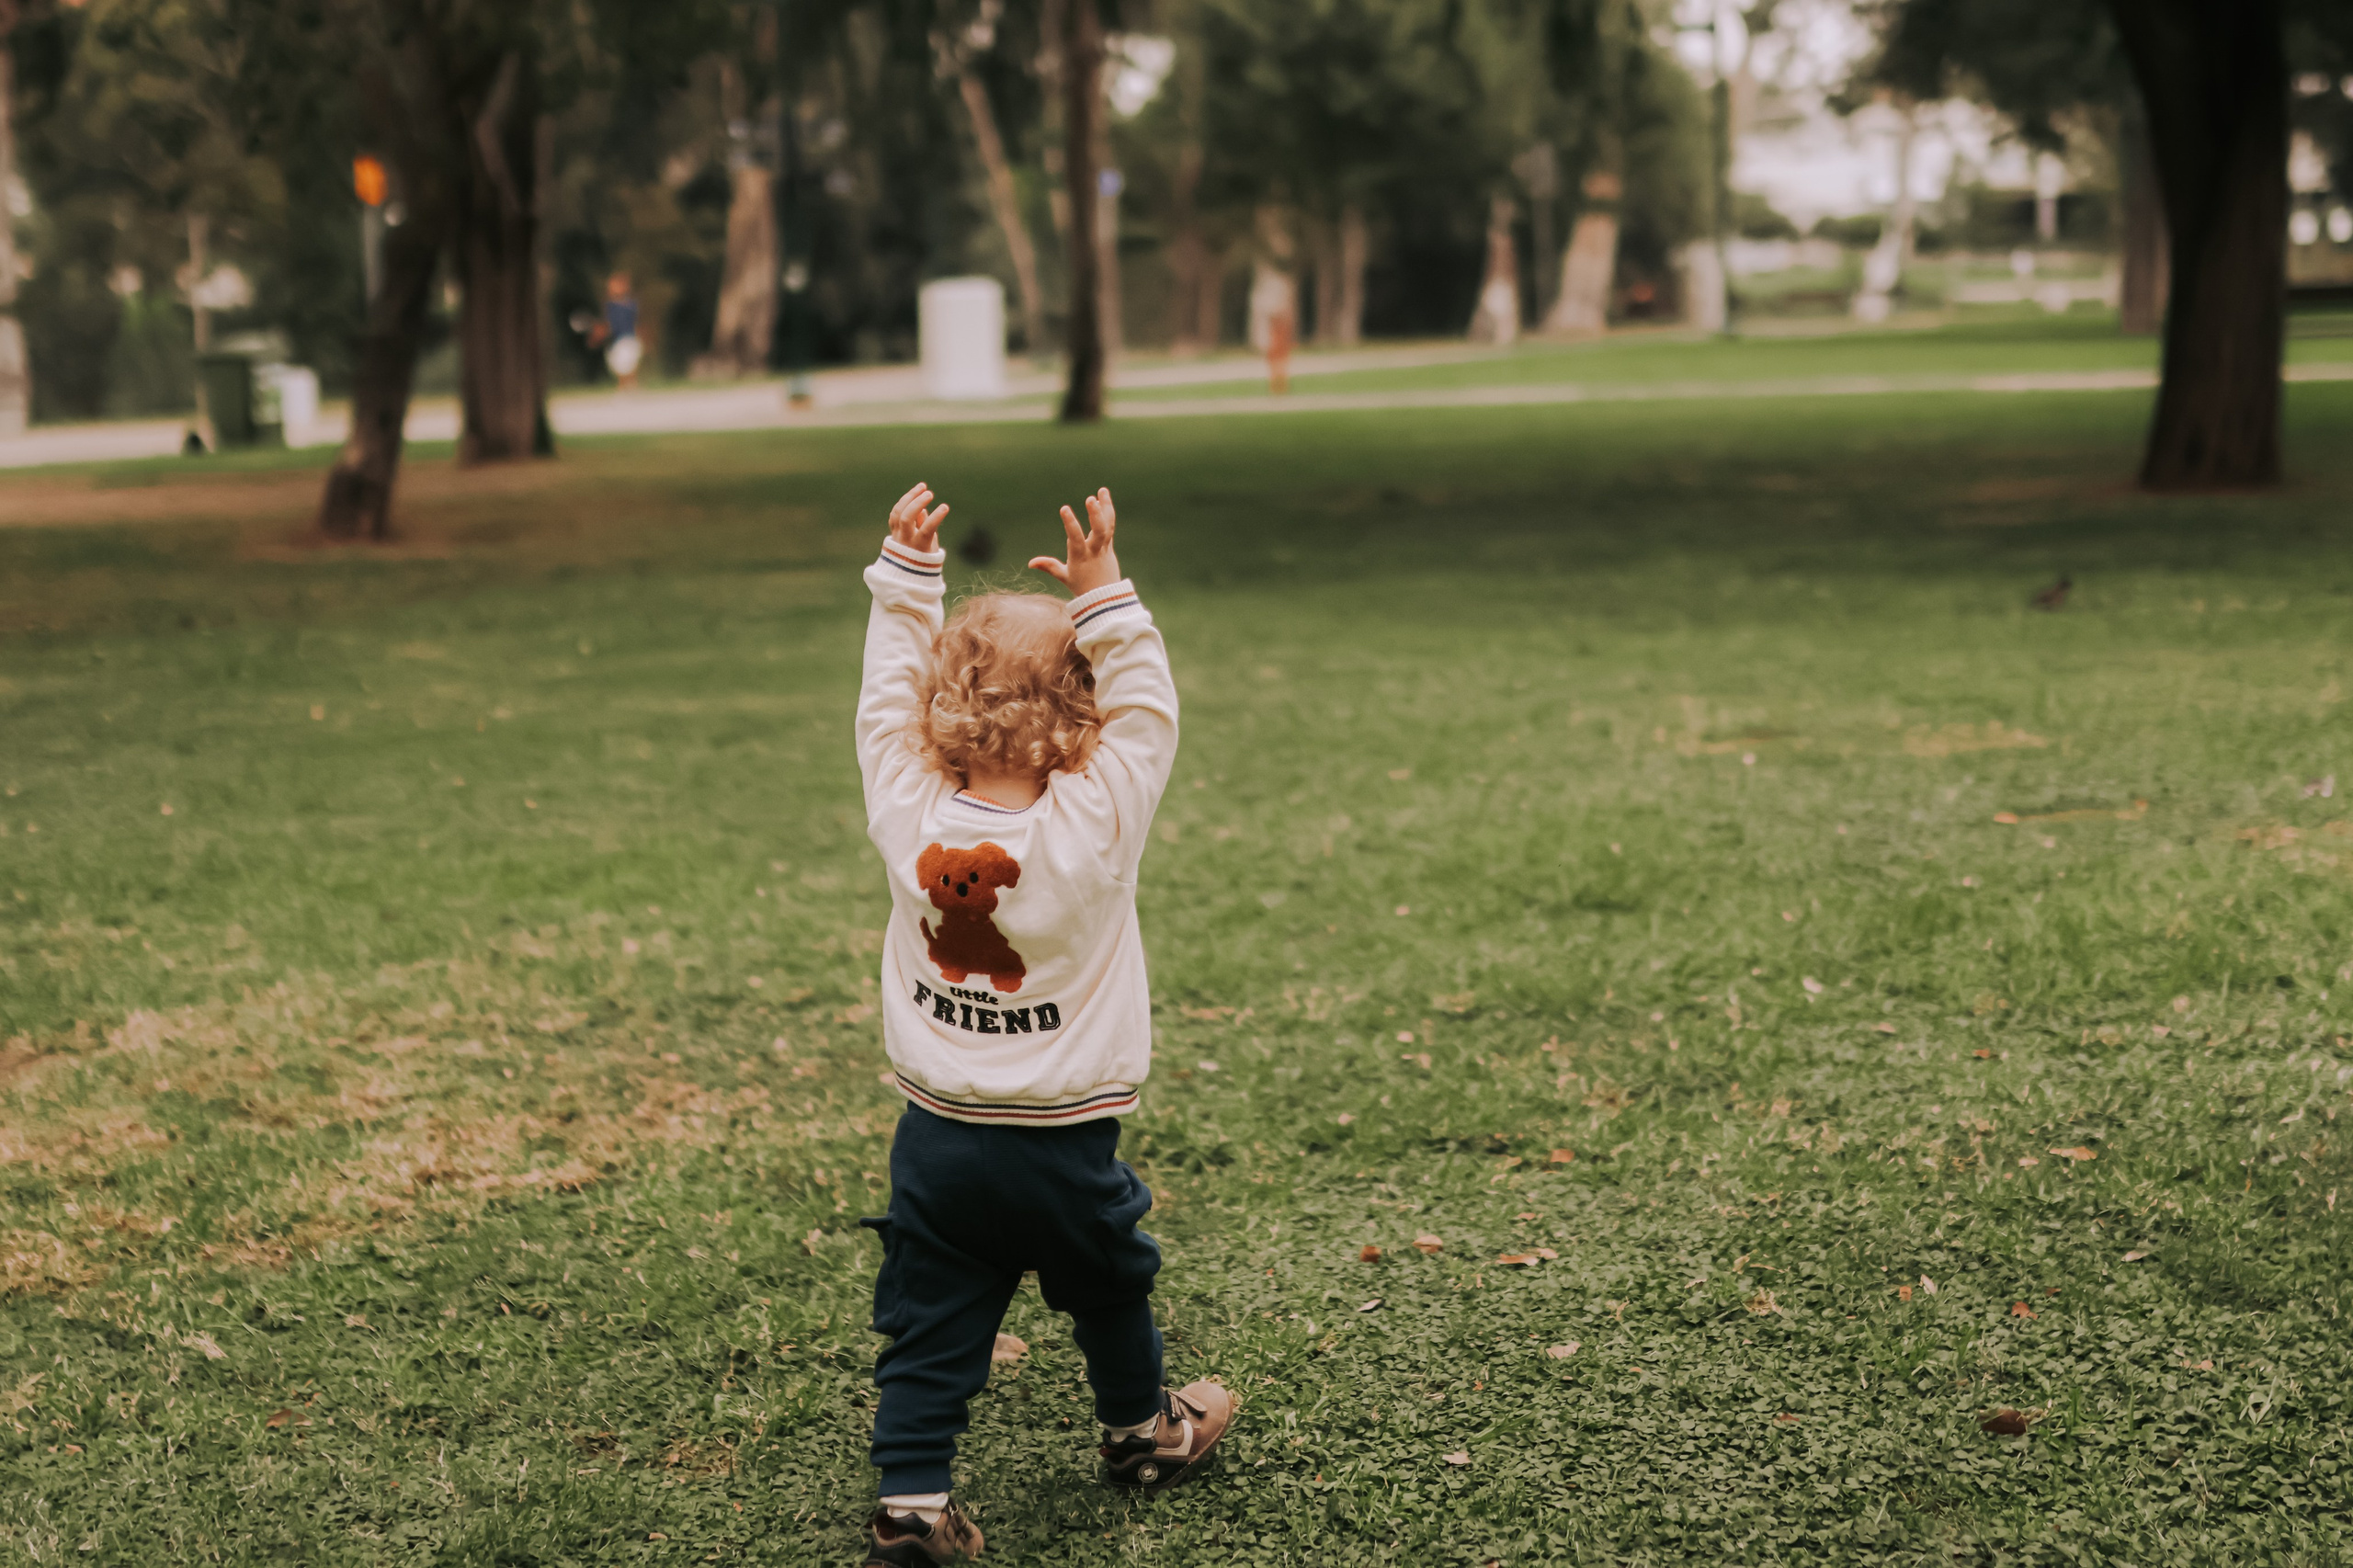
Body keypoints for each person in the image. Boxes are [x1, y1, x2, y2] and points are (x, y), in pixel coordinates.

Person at [851, 483, 1232, 1565]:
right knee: (1109, 1281)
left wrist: (906, 579)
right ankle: (1140, 1431)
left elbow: (884, 701)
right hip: (1064, 1139)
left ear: (940, 704)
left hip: (936, 1135)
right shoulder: (1096, 820)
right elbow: (1151, 711)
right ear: (1084, 716)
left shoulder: (904, 804)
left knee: (934, 1313)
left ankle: (912, 1506)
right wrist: (1108, 594)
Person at [592, 271, 642, 389]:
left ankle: (629, 387)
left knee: (628, 365)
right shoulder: (609, 306)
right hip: (615, 340)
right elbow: (608, 324)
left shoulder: (630, 305)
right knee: (619, 366)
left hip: (628, 338)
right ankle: (625, 387)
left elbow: (632, 323)